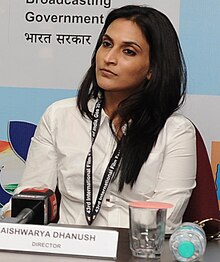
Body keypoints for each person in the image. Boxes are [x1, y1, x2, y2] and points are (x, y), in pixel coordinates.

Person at [2, 5, 196, 232]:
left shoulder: (175, 132)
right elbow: (31, 197)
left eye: (129, 51)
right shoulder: (59, 116)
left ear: (152, 68)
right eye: (106, 44)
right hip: (65, 250)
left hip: (134, 253)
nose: (109, 58)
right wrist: (11, 219)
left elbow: (167, 219)